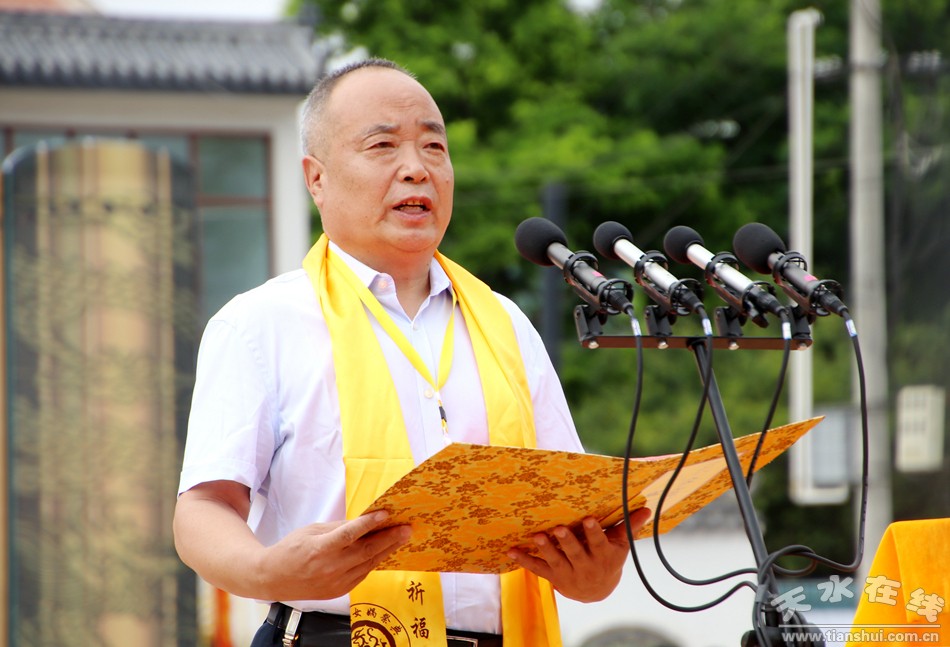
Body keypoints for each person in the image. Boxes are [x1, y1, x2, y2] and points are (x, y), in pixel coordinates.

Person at [173, 57, 650, 647]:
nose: (416, 169)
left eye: (433, 147)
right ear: (316, 178)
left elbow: (570, 512)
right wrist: (268, 570)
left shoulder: (504, 323)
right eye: (382, 146)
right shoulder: (260, 323)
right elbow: (204, 508)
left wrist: (594, 573)